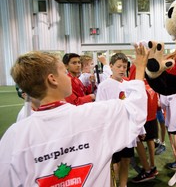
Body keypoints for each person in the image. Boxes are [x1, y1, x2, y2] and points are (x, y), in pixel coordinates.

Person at [0, 43, 149, 186]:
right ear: (52, 79)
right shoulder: (93, 115)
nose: (69, 76)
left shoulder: (13, 136)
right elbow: (136, 109)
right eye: (64, 72)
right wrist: (140, 67)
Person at [96, 52, 134, 187]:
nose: (122, 69)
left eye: (124, 67)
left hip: (127, 129)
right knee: (113, 162)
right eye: (119, 66)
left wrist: (139, 128)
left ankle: (123, 184)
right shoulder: (104, 86)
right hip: (112, 130)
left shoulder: (129, 84)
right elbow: (99, 109)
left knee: (126, 160)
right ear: (110, 66)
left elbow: (134, 107)